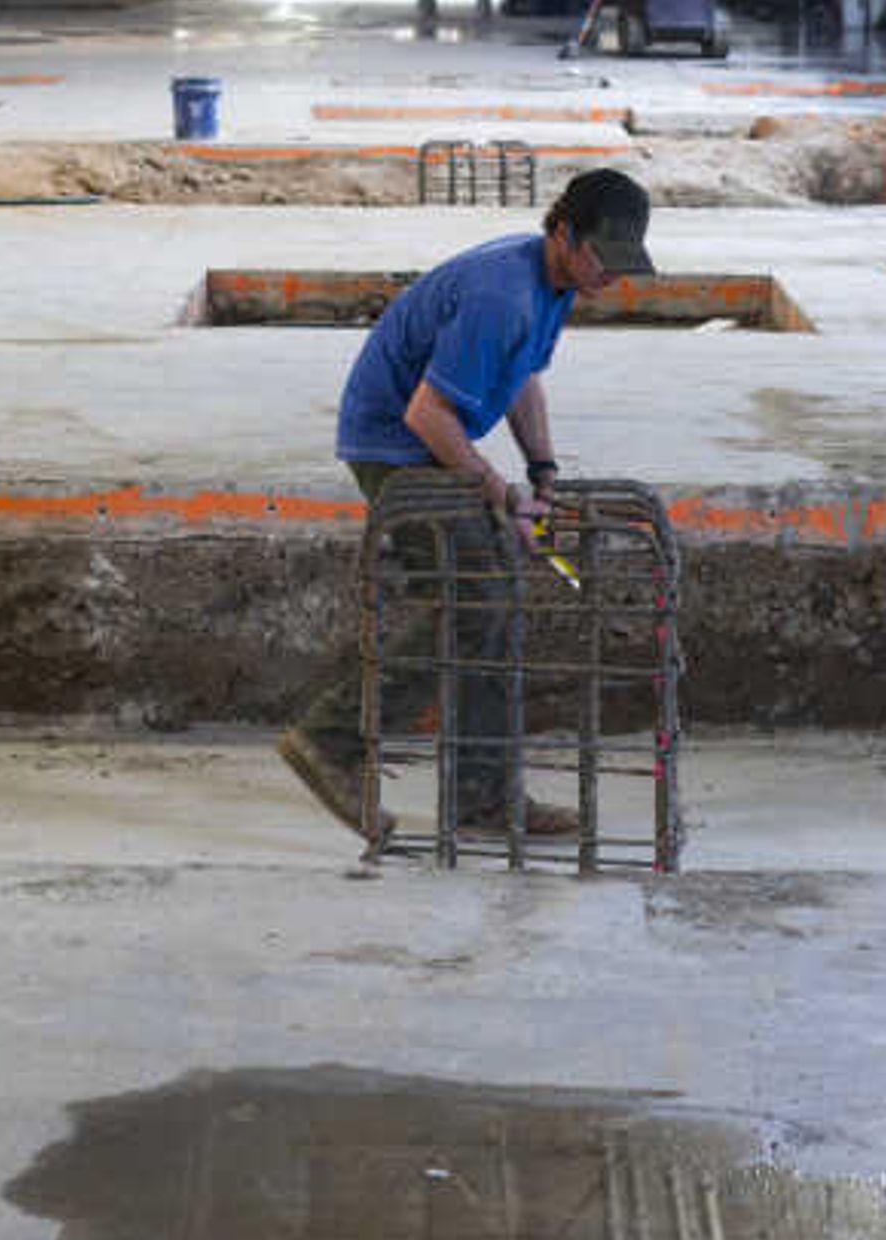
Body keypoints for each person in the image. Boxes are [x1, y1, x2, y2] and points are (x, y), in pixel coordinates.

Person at [277, 165, 654, 845]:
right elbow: (428, 414)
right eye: (604, 257)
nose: (613, 276)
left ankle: (482, 797)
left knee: (495, 593)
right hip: (394, 447)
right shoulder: (501, 296)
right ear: (564, 232)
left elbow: (522, 377)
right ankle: (331, 737)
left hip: (426, 442)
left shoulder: (553, 283)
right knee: (478, 597)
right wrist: (495, 487)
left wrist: (541, 471)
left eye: (624, 263)